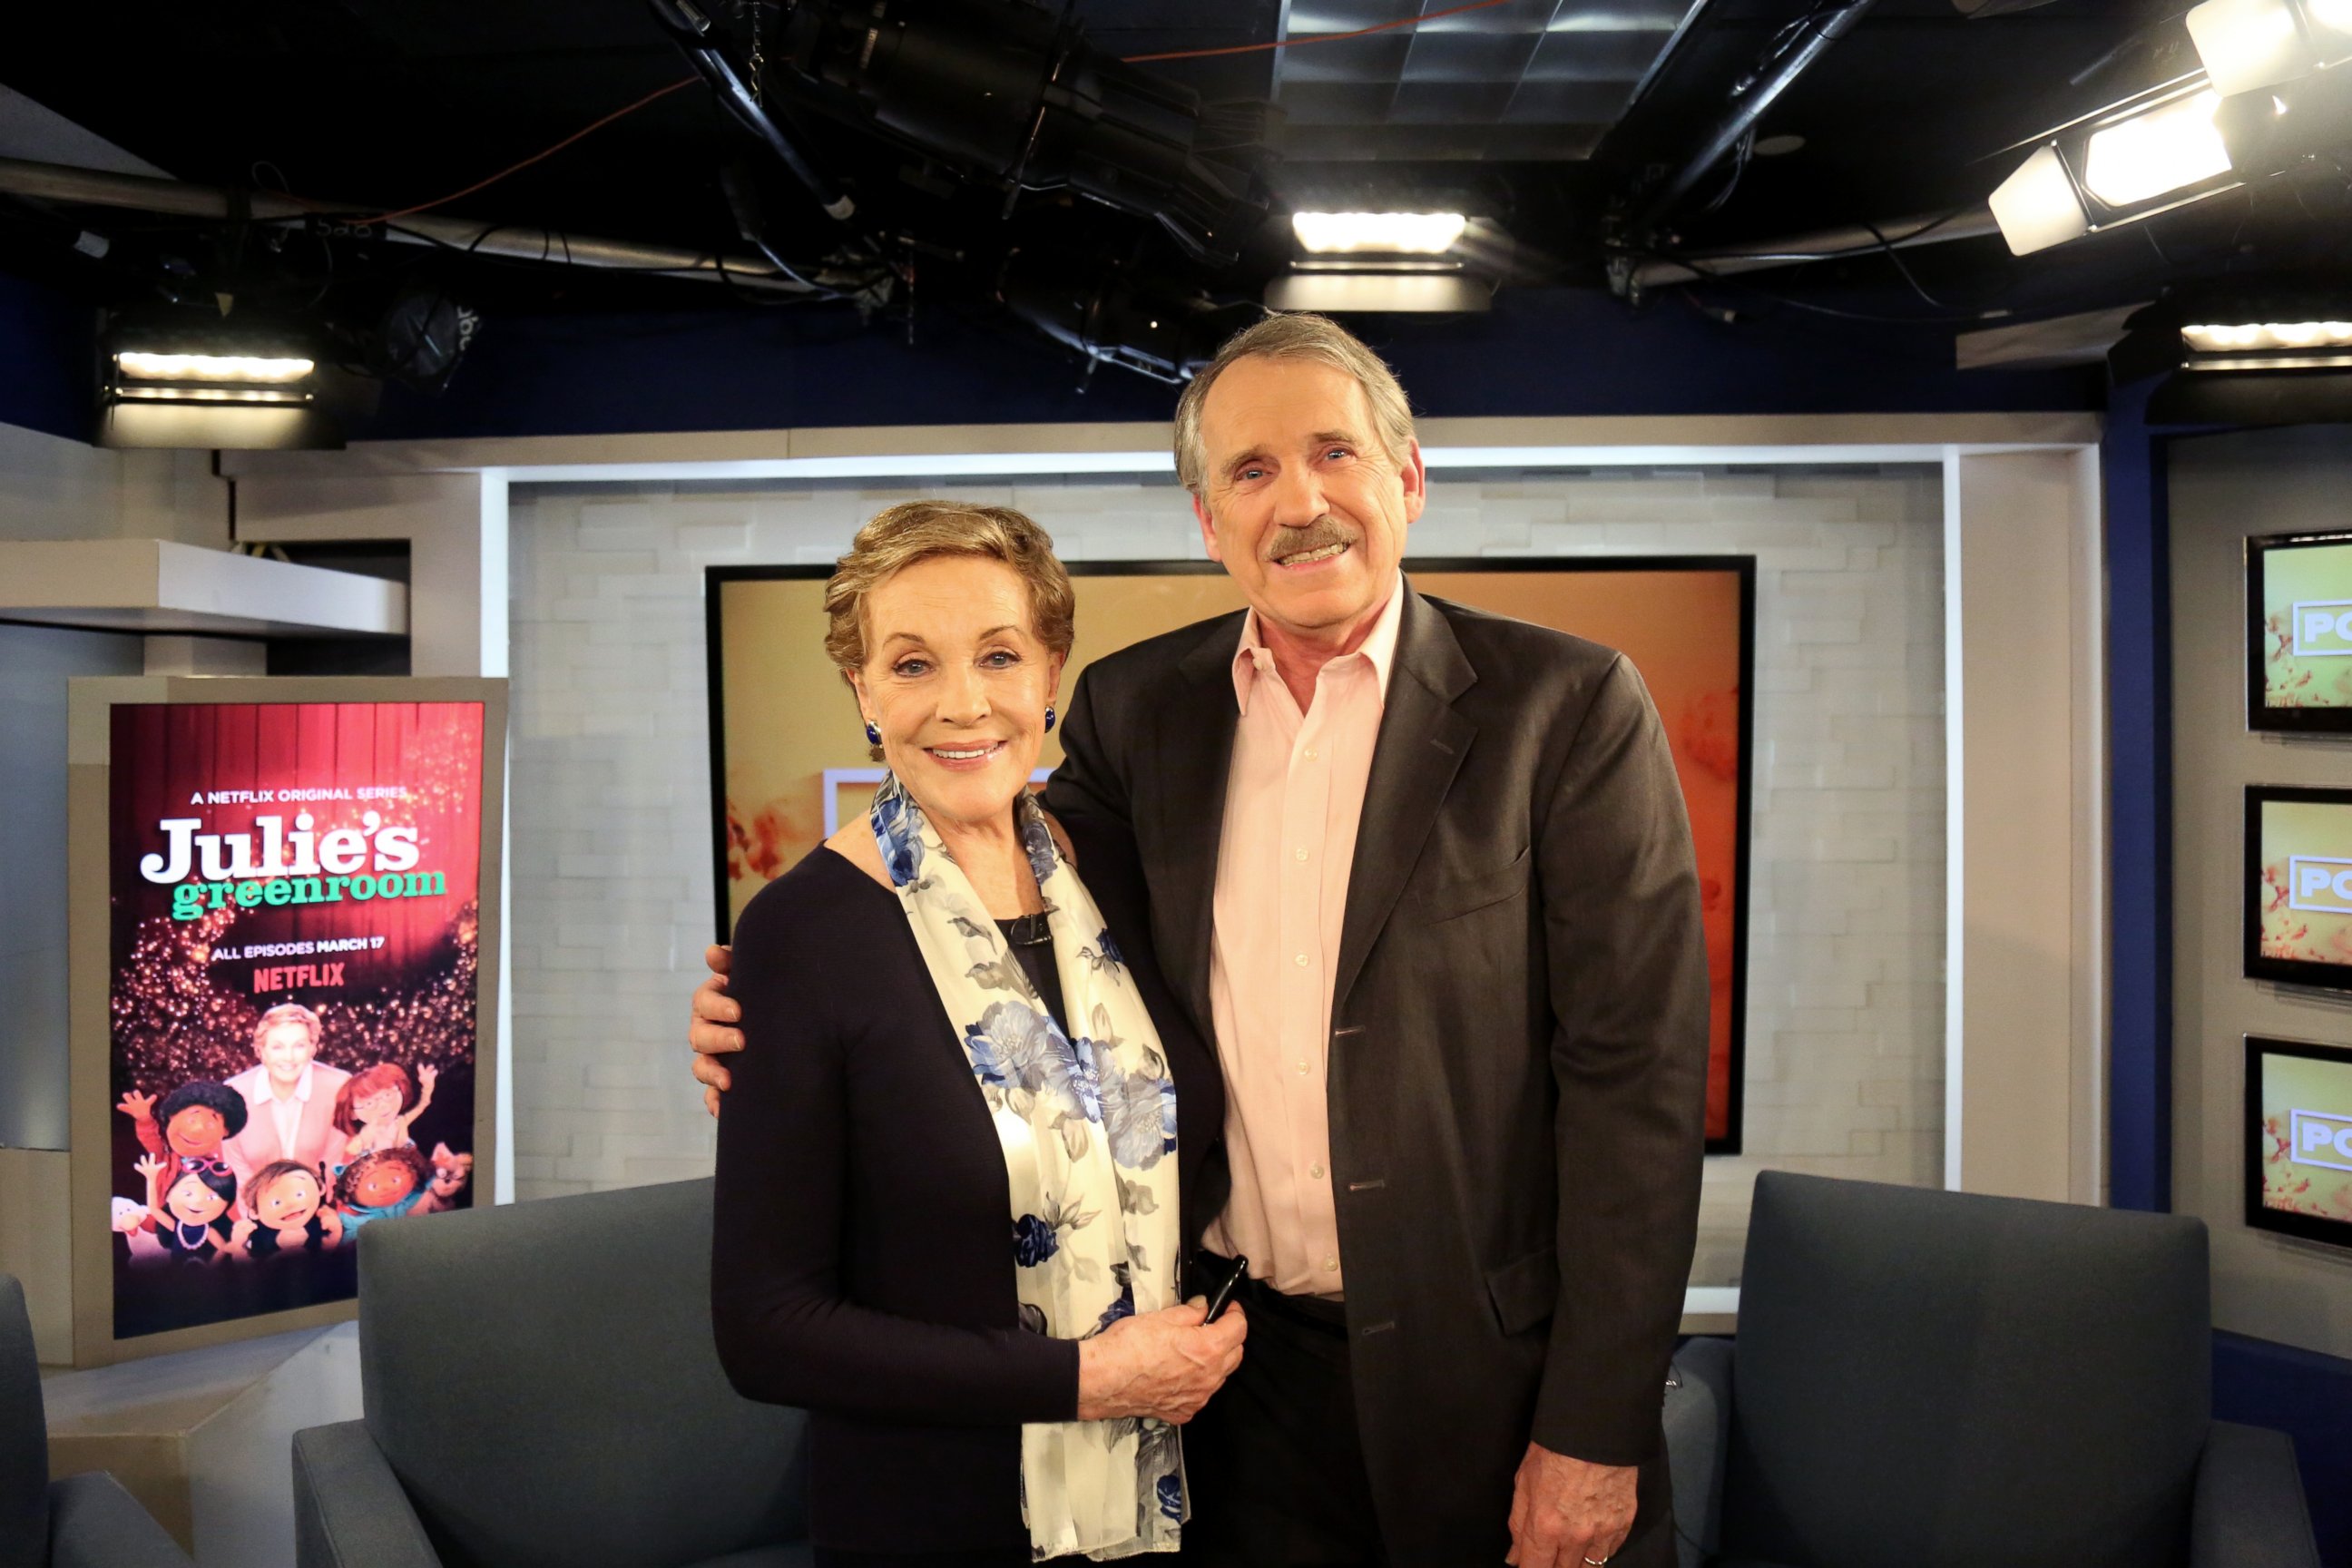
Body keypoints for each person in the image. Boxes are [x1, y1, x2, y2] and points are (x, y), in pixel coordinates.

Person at [694, 315, 1711, 1568]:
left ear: (1408, 478)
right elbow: (980, 902)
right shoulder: (1140, 712)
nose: (1302, 503)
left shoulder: (1567, 708)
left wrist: (1594, 1431)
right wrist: (768, 1003)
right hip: (1233, 1394)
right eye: (1250, 470)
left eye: (1335, 453)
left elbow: (1637, 1093)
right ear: (1207, 518)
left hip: (1490, 1388)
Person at [709, 501, 1247, 1567]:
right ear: (863, 690)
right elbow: (766, 1330)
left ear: (1051, 674)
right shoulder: (799, 934)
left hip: (1184, 1487)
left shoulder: (1120, 873)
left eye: (999, 656)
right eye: (911, 666)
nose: (964, 705)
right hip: (941, 1516)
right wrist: (1086, 1379)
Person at [220, 1004, 354, 1198]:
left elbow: (334, 1163)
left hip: (319, 1207)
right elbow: (239, 1174)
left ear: (312, 1048)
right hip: (257, 1211)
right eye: (277, 1047)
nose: (289, 1057)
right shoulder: (234, 1092)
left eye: (299, 1045)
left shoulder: (337, 1086)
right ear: (261, 1051)